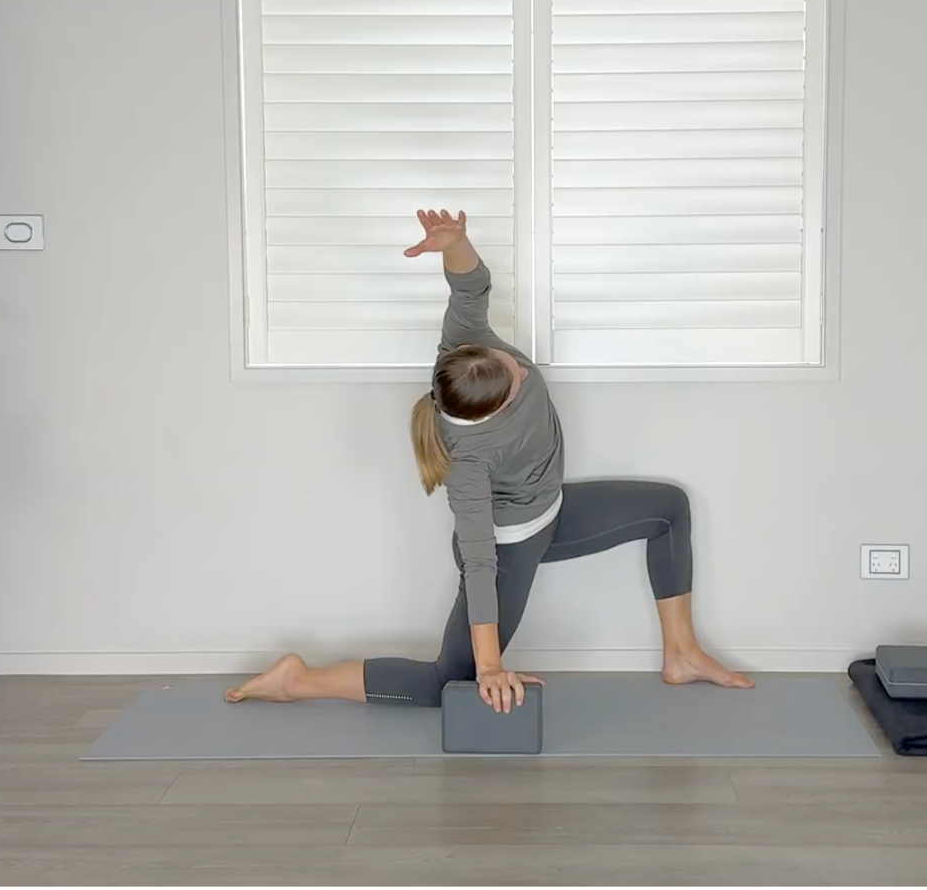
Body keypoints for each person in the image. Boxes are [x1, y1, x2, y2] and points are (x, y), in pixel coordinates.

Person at [226, 209, 752, 713]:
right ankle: (298, 680)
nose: (520, 372)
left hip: (554, 510)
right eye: (512, 384)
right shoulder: (469, 465)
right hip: (508, 550)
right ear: (488, 414)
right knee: (448, 685)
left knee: (668, 509)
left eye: (508, 364)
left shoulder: (463, 345)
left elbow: (471, 286)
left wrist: (454, 244)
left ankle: (681, 654)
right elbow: (480, 565)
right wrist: (492, 667)